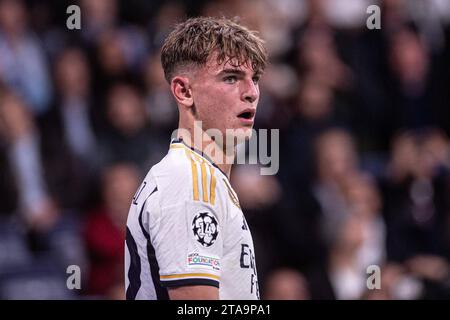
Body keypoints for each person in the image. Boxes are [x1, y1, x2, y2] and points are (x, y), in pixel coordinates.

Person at [124, 16, 268, 300]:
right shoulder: (190, 180)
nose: (251, 92)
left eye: (255, 79)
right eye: (231, 78)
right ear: (184, 91)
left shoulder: (200, 176)